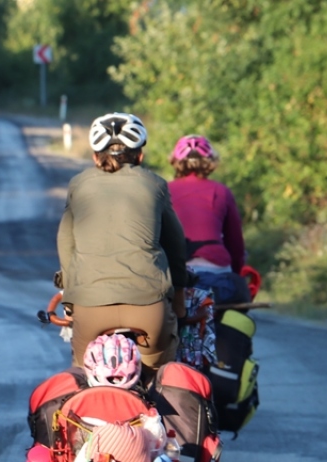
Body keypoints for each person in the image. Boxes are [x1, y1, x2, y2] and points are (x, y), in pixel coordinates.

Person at [56, 112, 188, 369]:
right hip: (148, 308)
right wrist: (180, 297)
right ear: (140, 156)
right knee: (158, 373)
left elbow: (66, 242)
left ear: (96, 157)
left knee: (84, 373)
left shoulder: (78, 185)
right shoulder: (155, 184)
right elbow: (176, 245)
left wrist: (70, 298)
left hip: (89, 307)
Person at [167, 135, 250, 305]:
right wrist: (236, 274)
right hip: (217, 272)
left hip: (177, 274)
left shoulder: (164, 190)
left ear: (175, 161)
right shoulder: (221, 191)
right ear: (210, 161)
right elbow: (236, 244)